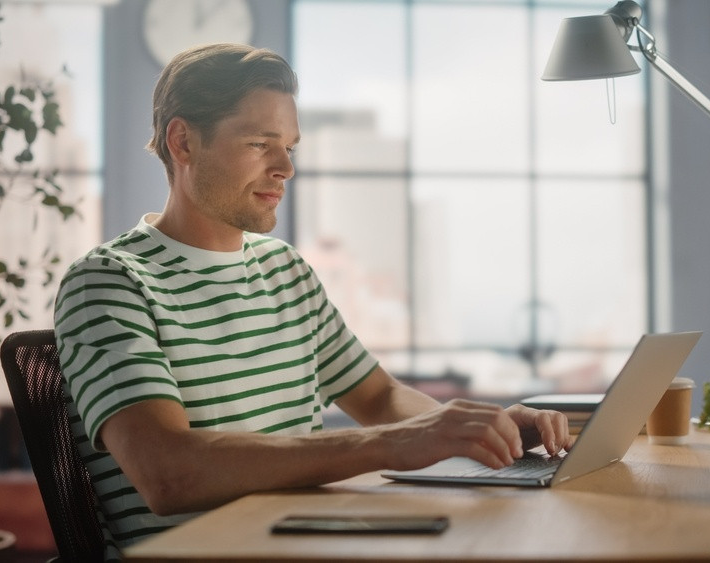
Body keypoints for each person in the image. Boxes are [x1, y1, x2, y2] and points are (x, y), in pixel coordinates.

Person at [53, 43, 574, 558]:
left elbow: (378, 399)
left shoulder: (285, 270)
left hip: (310, 542)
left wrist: (474, 432)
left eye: (290, 147)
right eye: (261, 143)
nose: (286, 168)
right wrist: (396, 444)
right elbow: (169, 472)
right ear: (183, 141)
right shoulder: (108, 282)